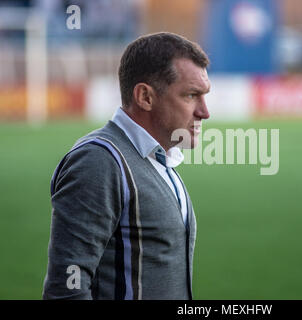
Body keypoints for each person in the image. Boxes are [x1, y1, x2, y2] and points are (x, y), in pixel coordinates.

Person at [42, 32, 211, 300]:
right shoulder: (99, 162)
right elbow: (66, 290)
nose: (205, 111)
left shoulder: (161, 159)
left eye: (204, 96)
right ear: (145, 96)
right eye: (191, 95)